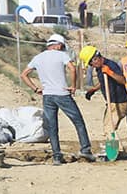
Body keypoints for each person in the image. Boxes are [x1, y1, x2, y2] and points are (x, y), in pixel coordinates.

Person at [19, 34, 96, 165]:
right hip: (62, 94)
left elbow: (24, 74)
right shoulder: (62, 55)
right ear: (59, 45)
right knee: (78, 122)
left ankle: (56, 156)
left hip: (47, 96)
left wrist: (35, 88)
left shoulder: (38, 58)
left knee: (52, 127)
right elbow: (72, 68)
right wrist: (73, 86)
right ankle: (85, 149)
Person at [80, 46, 127, 143]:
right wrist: (94, 89)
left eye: (91, 63)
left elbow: (123, 81)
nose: (92, 66)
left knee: (109, 128)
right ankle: (116, 149)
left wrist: (110, 72)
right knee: (108, 126)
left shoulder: (111, 65)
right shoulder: (100, 68)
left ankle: (116, 151)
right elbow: (104, 81)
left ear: (96, 58)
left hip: (119, 102)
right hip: (112, 102)